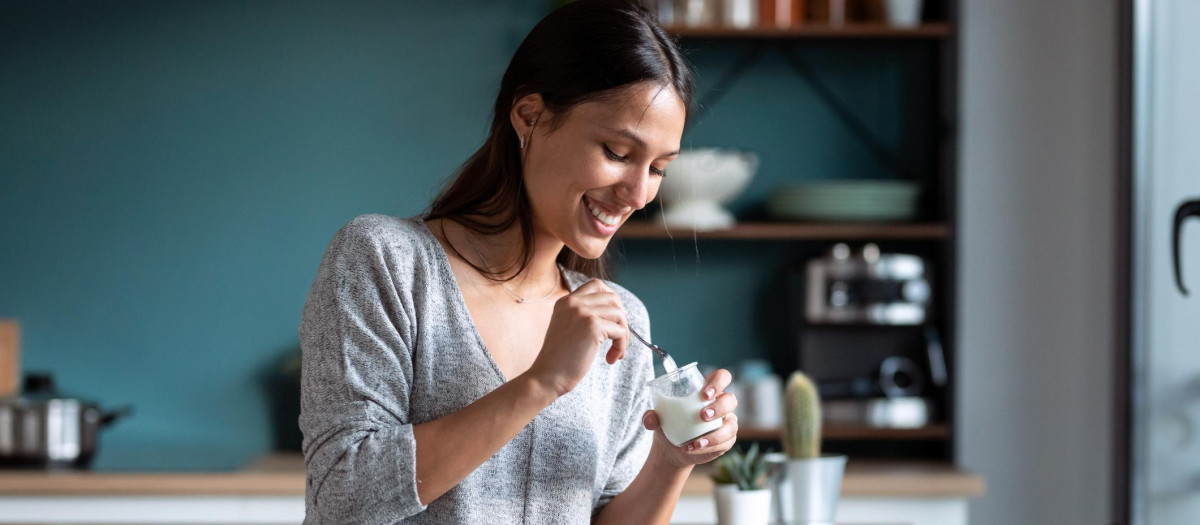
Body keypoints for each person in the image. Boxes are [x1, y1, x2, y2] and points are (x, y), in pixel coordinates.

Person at [298, 1, 739, 523]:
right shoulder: (385, 262)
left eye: (659, 168)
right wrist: (541, 383)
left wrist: (670, 460)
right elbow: (340, 497)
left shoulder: (620, 320)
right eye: (619, 153)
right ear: (529, 116)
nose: (639, 194)